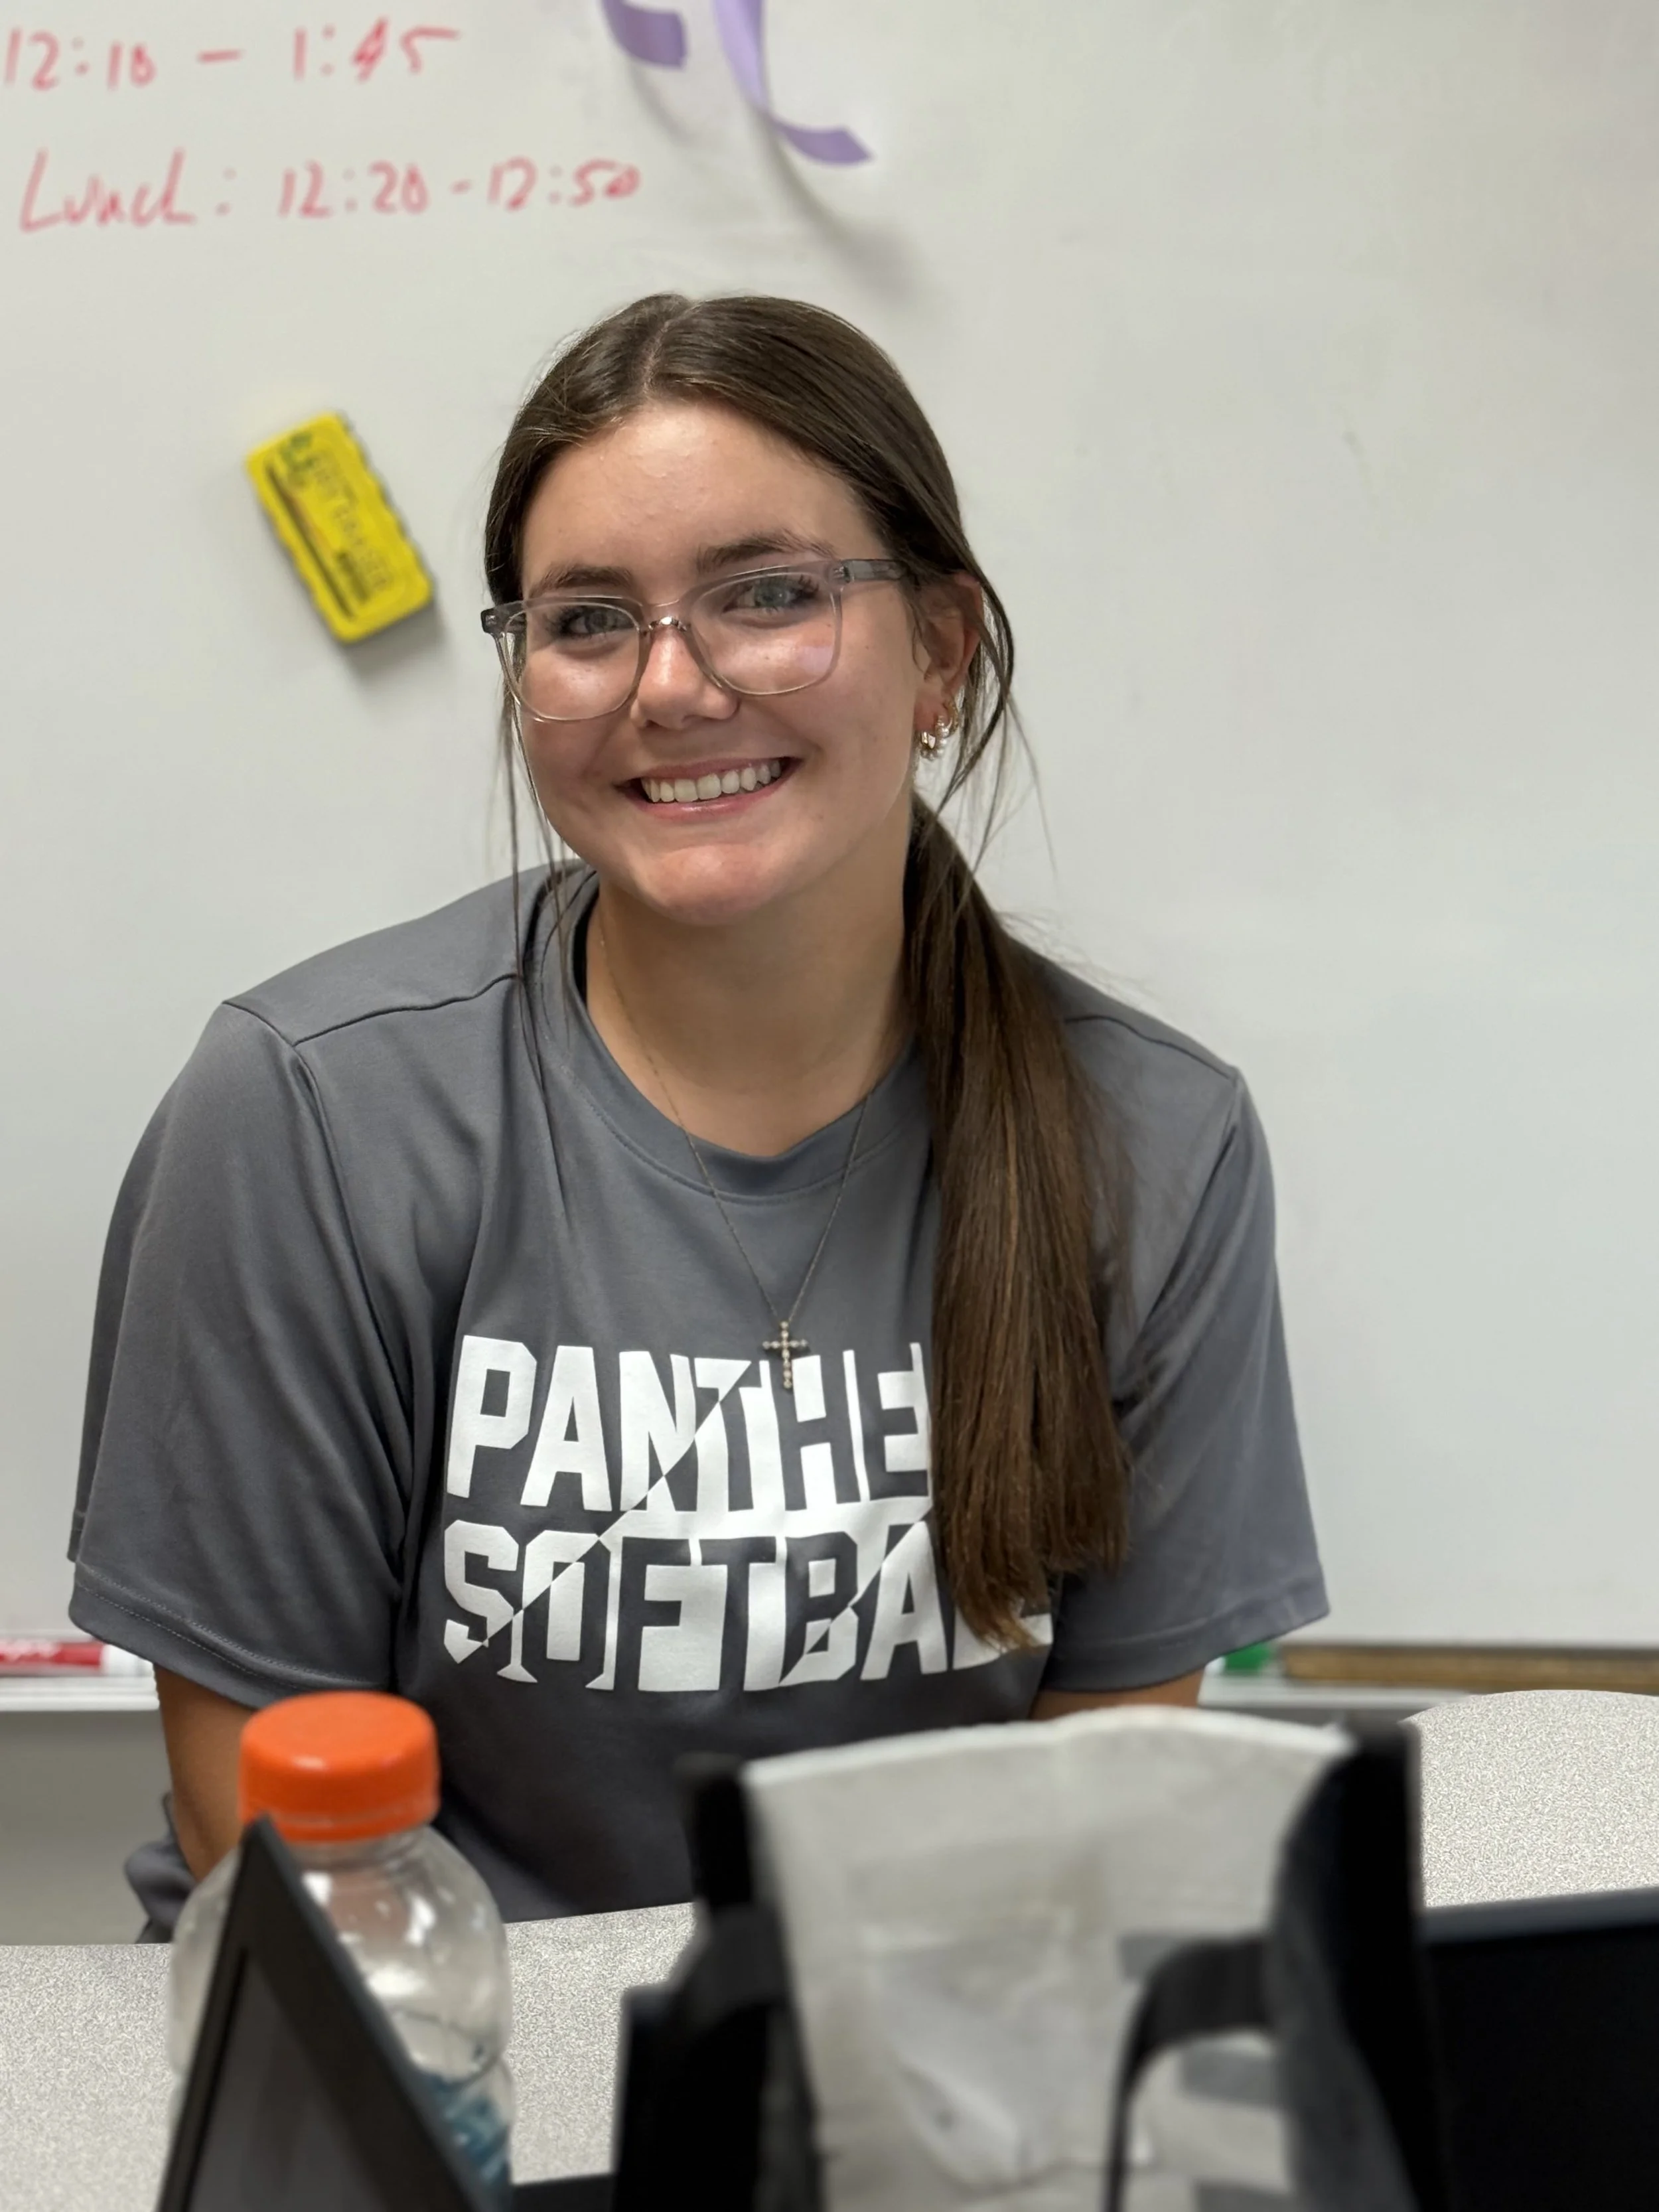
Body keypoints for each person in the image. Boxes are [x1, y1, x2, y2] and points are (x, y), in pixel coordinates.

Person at [70, 293, 1326, 1932]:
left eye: (767, 595)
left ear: (941, 648)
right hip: (419, 2064)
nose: (671, 687)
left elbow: (1101, 1811)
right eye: (587, 620)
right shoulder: (311, 1113)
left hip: (914, 2095)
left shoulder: (1154, 1145)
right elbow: (274, 1820)